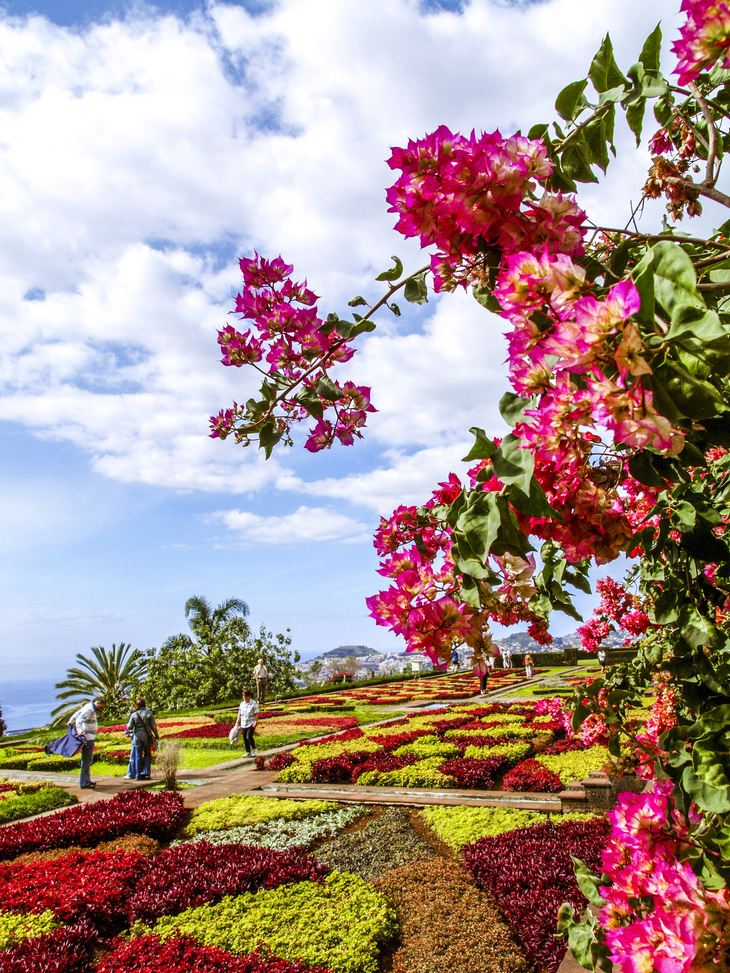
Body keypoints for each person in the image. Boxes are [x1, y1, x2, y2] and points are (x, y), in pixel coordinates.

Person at [68, 697, 105, 789]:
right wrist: (79, 730)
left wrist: (70, 721)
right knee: (87, 760)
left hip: (88, 737)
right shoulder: (90, 709)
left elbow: (77, 713)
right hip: (88, 738)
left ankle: (86, 780)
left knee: (86, 760)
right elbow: (80, 719)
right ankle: (84, 782)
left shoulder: (88, 707)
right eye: (101, 707)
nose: (100, 710)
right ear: (97, 703)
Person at [125, 697, 159, 781]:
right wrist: (156, 735)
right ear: (145, 704)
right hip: (146, 735)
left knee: (137, 755)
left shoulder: (134, 714)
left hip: (137, 736)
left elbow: (129, 726)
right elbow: (153, 726)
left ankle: (137, 775)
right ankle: (146, 772)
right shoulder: (148, 713)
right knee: (147, 753)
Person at [233, 688, 259, 756]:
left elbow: (257, 713)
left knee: (249, 736)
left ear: (249, 696)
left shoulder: (253, 703)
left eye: (246, 696)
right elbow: (240, 714)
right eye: (243, 696)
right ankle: (248, 751)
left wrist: (256, 721)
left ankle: (254, 748)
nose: (244, 698)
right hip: (243, 723)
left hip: (251, 723)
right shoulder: (242, 704)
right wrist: (237, 722)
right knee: (245, 738)